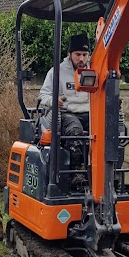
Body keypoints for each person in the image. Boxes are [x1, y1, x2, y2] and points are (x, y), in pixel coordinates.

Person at [39, 33, 90, 168]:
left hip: (90, 114)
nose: (81, 59)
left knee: (107, 131)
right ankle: (75, 172)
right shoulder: (57, 72)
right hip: (68, 114)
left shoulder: (94, 70)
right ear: (70, 54)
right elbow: (43, 95)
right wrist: (54, 100)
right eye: (77, 54)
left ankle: (104, 173)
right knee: (75, 132)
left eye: (85, 55)